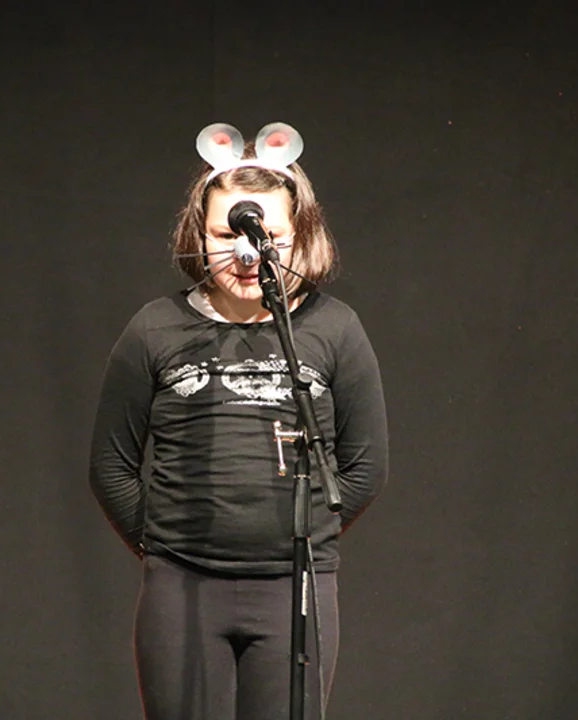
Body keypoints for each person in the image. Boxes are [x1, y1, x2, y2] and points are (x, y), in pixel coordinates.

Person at [88, 122, 389, 720]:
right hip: (182, 588)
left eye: (266, 236)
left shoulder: (334, 329)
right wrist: (166, 543)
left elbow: (365, 466)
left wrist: (303, 535)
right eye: (228, 234)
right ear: (198, 236)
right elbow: (111, 465)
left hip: (294, 587)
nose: (247, 254)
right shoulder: (155, 329)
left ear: (298, 237)